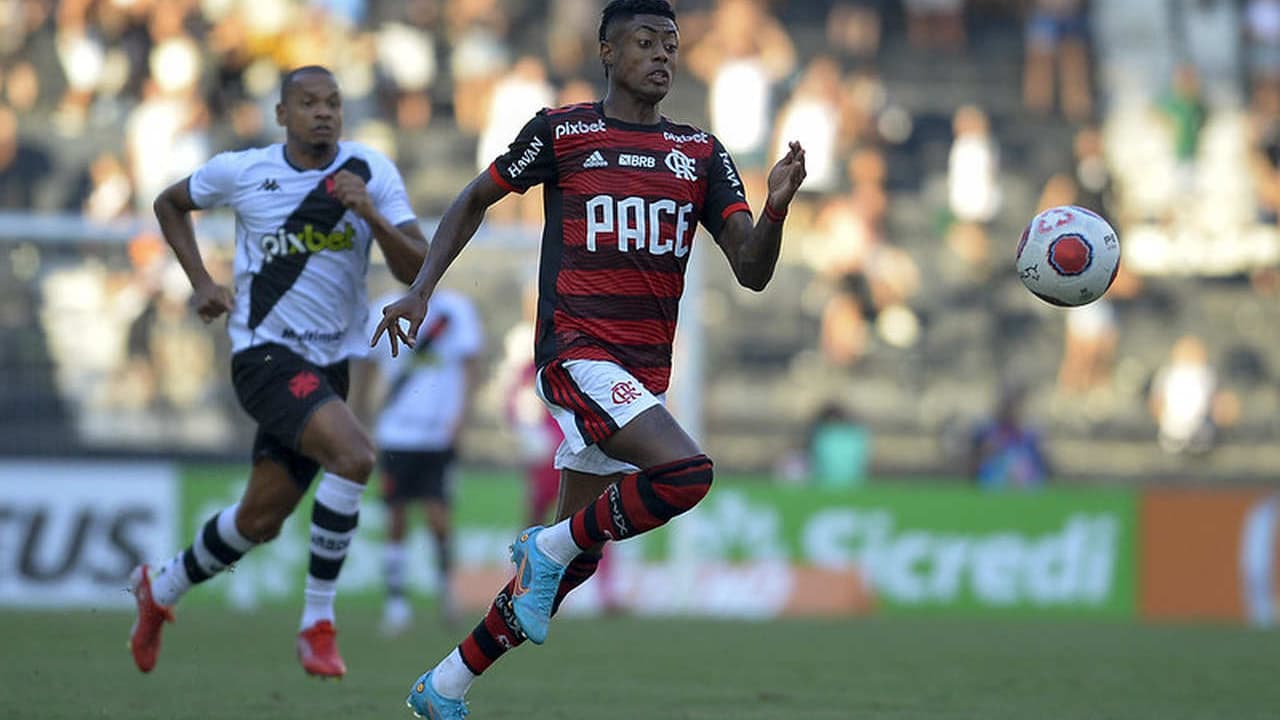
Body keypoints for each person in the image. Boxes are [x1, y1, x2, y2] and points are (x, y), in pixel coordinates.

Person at [370, 1, 807, 716]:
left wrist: (777, 209)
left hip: (641, 374)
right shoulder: (564, 132)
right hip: (576, 354)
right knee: (688, 474)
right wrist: (420, 289)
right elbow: (475, 197)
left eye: (671, 43)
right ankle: (545, 545)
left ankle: (446, 683)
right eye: (644, 41)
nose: (662, 54)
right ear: (606, 51)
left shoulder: (701, 153)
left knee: (575, 562)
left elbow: (751, 271)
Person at [130, 65, 428, 678]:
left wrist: (368, 214)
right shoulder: (243, 171)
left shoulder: (370, 171)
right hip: (264, 357)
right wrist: (202, 282)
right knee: (355, 455)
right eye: (309, 102)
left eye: (334, 102)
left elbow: (416, 267)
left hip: (330, 368)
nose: (323, 112)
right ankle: (317, 623)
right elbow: (169, 203)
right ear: (282, 115)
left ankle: (160, 588)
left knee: (259, 521)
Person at [358, 287, 484, 635]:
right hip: (395, 434)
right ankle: (396, 602)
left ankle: (447, 592)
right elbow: (367, 367)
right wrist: (362, 419)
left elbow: (471, 366)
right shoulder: (381, 306)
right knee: (396, 517)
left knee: (438, 517)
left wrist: (462, 417)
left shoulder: (456, 309)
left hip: (437, 435)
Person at [968, 383, 1052, 490]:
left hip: (1025, 480)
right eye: (1007, 407)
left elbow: (1037, 461)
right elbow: (979, 458)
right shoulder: (988, 431)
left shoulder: (1028, 434)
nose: (1011, 412)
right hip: (995, 479)